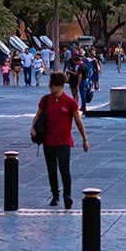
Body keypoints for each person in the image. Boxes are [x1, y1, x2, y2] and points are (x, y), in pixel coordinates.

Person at [30, 72, 89, 209]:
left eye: (55, 86)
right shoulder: (45, 100)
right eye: (51, 85)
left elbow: (78, 121)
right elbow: (37, 116)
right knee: (51, 169)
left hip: (64, 141)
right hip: (48, 140)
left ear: (61, 86)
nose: (52, 88)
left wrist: (85, 139)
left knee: (64, 169)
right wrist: (33, 128)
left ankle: (67, 195)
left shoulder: (70, 103)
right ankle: (55, 194)